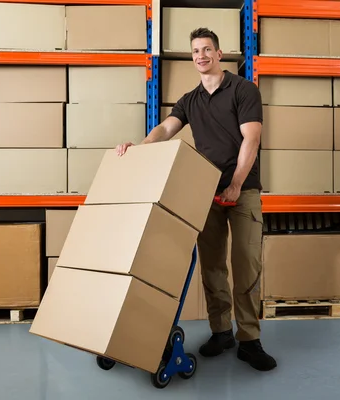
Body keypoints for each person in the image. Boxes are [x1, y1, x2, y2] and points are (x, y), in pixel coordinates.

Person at [116, 27, 277, 372]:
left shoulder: (243, 90)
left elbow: (252, 139)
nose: (201, 56)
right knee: (213, 266)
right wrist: (138, 149)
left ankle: (249, 339)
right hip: (206, 191)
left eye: (207, 49)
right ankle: (222, 332)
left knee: (246, 263)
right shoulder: (190, 100)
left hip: (243, 190)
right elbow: (166, 129)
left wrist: (235, 184)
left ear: (220, 54)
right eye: (195, 51)